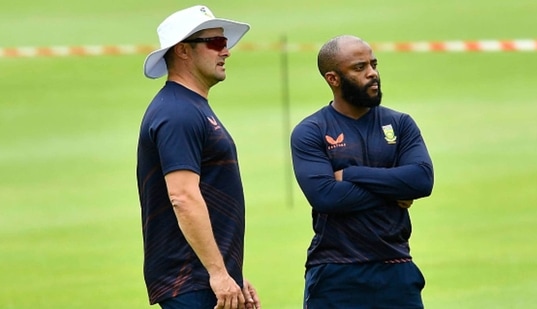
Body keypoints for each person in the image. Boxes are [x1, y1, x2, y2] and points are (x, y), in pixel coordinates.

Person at [290, 35, 435, 308]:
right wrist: (393, 190)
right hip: (335, 273)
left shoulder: (401, 124)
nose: (372, 74)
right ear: (333, 79)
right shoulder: (311, 131)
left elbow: (421, 180)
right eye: (359, 68)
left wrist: (350, 175)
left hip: (396, 268)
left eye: (373, 64)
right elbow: (327, 197)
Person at [136, 5, 260, 309]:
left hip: (202, 278)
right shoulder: (178, 113)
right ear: (183, 51)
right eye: (216, 43)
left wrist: (232, 274)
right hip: (190, 280)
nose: (227, 51)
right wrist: (218, 273)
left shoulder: (189, 107)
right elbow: (183, 196)